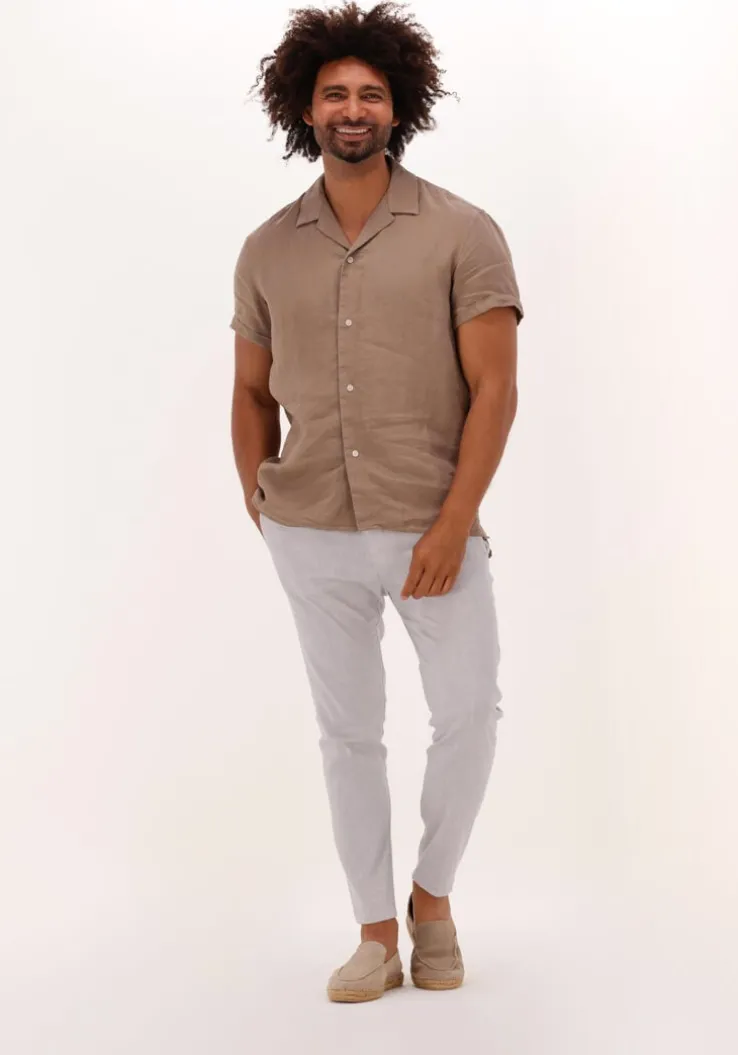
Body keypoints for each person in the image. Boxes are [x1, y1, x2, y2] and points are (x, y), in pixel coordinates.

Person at [229, 1, 523, 1003]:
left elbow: (496, 389)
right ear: (304, 109)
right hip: (309, 530)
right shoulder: (268, 248)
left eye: (369, 93)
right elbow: (250, 391)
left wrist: (453, 522)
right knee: (347, 734)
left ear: (399, 108)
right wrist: (261, 506)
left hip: (432, 525)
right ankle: (373, 932)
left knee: (470, 713)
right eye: (333, 94)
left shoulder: (462, 231)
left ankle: (432, 898)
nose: (351, 109)